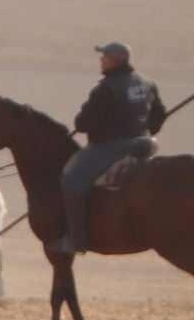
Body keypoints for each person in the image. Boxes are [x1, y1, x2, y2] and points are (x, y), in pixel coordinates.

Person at [49, 42, 167, 255]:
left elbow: (83, 124)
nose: (101, 60)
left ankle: (75, 241)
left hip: (114, 146)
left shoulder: (106, 89)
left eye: (104, 57)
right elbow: (159, 115)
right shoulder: (146, 83)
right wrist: (146, 128)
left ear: (115, 61)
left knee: (71, 181)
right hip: (145, 143)